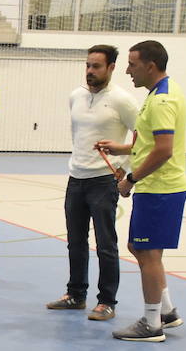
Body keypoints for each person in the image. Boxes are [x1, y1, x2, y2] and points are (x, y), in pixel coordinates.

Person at [98, 40, 186, 343]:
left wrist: (131, 179)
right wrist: (121, 148)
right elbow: (149, 143)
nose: (127, 70)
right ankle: (167, 311)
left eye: (132, 64)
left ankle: (151, 324)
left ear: (150, 66)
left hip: (160, 190)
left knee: (148, 254)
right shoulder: (158, 94)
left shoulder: (161, 102)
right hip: (158, 189)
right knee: (141, 249)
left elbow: (163, 150)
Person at [47, 44, 140, 321]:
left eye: (96, 66)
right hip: (76, 179)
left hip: (103, 182)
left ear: (111, 68)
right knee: (75, 241)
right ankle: (76, 294)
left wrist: (124, 168)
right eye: (88, 65)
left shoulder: (123, 101)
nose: (90, 71)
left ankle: (107, 301)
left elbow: (142, 138)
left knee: (105, 244)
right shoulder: (75, 96)